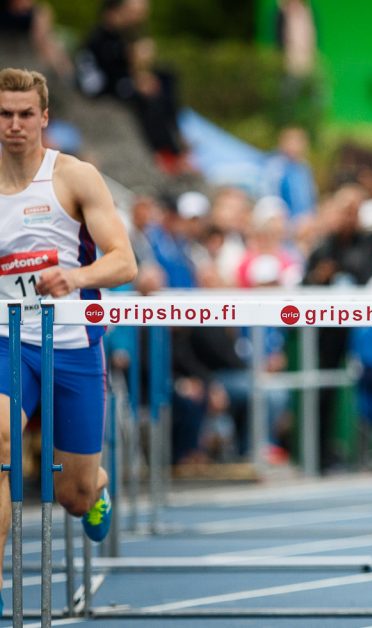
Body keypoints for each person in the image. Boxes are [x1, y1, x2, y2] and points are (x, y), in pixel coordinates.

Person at [0, 68, 138, 608]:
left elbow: (124, 261)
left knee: (71, 495)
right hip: (7, 341)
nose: (14, 125)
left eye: (24, 115)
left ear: (44, 118)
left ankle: (97, 484)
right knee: (1, 440)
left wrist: (74, 278)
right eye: (5, 114)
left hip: (74, 343)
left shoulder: (74, 177)